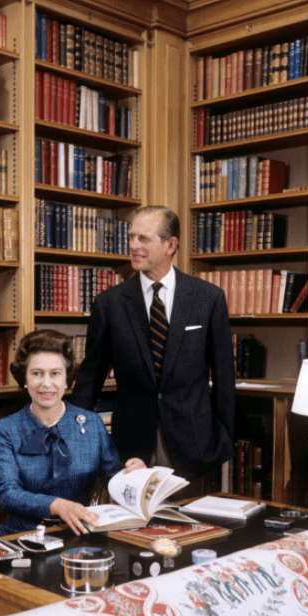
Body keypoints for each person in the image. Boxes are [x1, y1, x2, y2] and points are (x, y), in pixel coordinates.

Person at [72, 205, 235, 483]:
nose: (134, 245)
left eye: (144, 238)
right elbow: (90, 379)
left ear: (170, 245)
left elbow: (224, 377)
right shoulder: (109, 304)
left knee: (192, 526)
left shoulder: (208, 298)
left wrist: (224, 439)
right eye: (132, 237)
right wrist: (77, 439)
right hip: (131, 447)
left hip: (194, 446)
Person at [0, 329, 145, 536]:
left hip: (80, 532)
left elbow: (114, 479)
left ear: (67, 378)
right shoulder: (6, 430)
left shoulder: (91, 423)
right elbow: (7, 493)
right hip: (23, 536)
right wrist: (55, 505)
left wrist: (135, 476)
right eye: (37, 373)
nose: (46, 383)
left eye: (55, 373)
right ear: (24, 378)